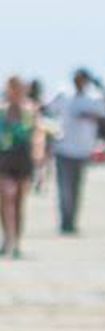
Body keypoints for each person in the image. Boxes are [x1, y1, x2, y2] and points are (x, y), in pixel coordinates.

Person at [44, 69, 105, 234]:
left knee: (76, 188)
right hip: (63, 148)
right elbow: (47, 110)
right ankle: (65, 221)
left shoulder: (94, 98)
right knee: (64, 188)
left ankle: (72, 220)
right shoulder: (63, 95)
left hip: (83, 149)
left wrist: (90, 116)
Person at [0, 77, 37, 258]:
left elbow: (36, 135)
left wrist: (40, 158)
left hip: (24, 158)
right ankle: (8, 239)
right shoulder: (1, 111)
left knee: (19, 203)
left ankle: (16, 243)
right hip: (4, 158)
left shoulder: (30, 110)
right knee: (7, 197)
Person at [27, 79, 50, 194]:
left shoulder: (36, 104)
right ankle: (38, 182)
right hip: (36, 134)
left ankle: (38, 182)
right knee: (38, 162)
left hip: (38, 134)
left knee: (39, 161)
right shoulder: (35, 104)